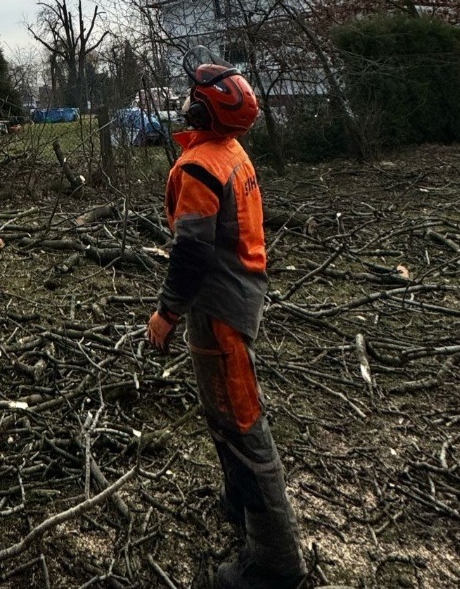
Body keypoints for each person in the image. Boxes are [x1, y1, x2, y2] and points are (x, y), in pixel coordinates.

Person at [146, 61, 306, 589]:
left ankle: (276, 562)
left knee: (242, 424)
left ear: (202, 108)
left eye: (191, 97)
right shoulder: (230, 153)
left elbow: (190, 254)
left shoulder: (201, 167)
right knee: (222, 409)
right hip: (239, 293)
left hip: (218, 306)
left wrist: (166, 314)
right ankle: (239, 501)